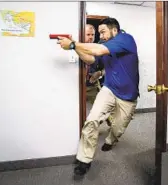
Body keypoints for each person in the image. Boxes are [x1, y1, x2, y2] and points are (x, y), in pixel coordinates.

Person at [57, 17, 140, 176]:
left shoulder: (126, 39)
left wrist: (74, 44)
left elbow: (98, 50)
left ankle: (111, 140)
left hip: (128, 96)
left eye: (103, 32)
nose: (100, 36)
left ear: (114, 30)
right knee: (92, 120)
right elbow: (91, 58)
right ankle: (84, 159)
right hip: (109, 89)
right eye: (99, 33)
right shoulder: (104, 45)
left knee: (117, 129)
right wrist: (75, 47)